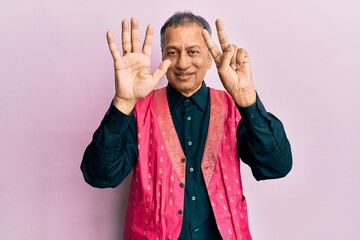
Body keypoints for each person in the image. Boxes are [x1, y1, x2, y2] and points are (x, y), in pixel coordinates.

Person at [81, 11, 292, 240]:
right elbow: (100, 176)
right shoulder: (138, 111)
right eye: (172, 52)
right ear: (162, 55)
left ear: (210, 57)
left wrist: (248, 100)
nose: (182, 63)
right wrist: (123, 103)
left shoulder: (233, 109)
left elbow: (277, 166)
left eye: (193, 52)